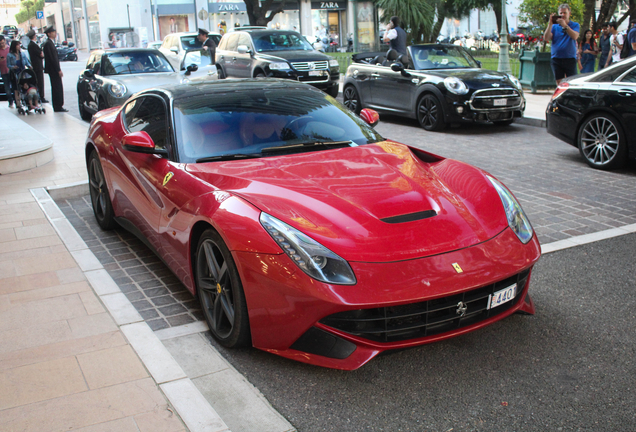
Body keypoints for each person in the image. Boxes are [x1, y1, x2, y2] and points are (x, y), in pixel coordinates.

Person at [544, 4, 580, 85]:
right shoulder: (554, 26)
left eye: (565, 13)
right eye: (561, 13)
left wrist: (565, 26)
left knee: (572, 81)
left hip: (569, 58)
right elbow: (546, 38)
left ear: (569, 13)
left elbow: (575, 36)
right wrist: (550, 24)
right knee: (559, 82)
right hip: (557, 58)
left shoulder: (574, 25)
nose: (562, 15)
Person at [42, 26, 67, 112]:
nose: (54, 33)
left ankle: (58, 105)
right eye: (53, 32)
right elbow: (53, 59)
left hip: (53, 69)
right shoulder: (48, 43)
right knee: (57, 87)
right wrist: (58, 70)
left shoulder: (50, 43)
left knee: (57, 86)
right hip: (53, 70)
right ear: (49, 34)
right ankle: (57, 105)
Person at [6, 40, 31, 110]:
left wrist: (29, 66)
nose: (19, 46)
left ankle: (27, 101)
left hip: (22, 72)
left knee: (24, 85)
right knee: (16, 88)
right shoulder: (10, 55)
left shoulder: (22, 54)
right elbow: (8, 65)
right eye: (17, 45)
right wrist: (12, 67)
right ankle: (18, 103)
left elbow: (26, 61)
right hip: (14, 73)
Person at [27, 29, 47, 103]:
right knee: (40, 82)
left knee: (37, 82)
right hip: (38, 66)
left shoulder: (30, 45)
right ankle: (41, 97)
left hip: (35, 66)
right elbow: (41, 54)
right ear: (34, 36)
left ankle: (39, 96)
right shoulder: (33, 45)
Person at [0, 35, 15, 108]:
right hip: (3, 72)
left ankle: (16, 100)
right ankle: (10, 101)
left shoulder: (9, 49)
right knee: (7, 87)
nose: (2, 44)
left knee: (14, 86)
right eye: (0, 43)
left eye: (3, 43)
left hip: (11, 71)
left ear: (5, 41)